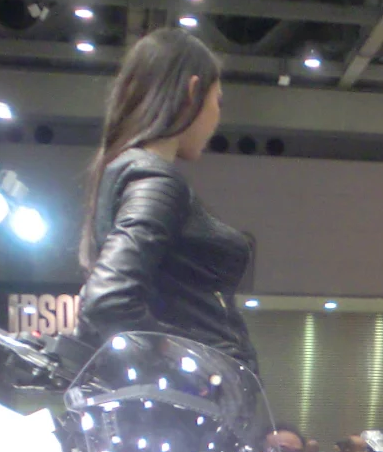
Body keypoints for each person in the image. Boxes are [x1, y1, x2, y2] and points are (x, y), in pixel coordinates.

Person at [77, 29, 255, 371]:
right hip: (193, 413)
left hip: (178, 410)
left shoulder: (122, 172)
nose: (218, 117)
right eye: (218, 100)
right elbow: (110, 299)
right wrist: (188, 369)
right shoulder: (154, 180)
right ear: (192, 91)